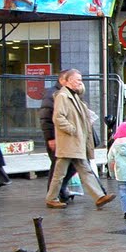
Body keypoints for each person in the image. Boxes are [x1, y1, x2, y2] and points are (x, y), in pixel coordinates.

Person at [44, 69, 116, 210]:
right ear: (68, 80)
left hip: (75, 142)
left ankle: (99, 196)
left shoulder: (74, 96)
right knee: (60, 173)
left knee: (84, 170)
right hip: (69, 141)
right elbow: (58, 118)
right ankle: (51, 198)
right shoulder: (63, 96)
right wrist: (73, 130)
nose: (80, 82)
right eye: (77, 79)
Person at [40, 71, 78, 204]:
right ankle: (53, 194)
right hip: (59, 137)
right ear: (64, 80)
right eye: (76, 80)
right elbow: (47, 117)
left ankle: (59, 191)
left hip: (67, 138)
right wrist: (50, 137)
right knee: (58, 167)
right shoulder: (55, 94)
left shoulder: (68, 93)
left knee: (71, 166)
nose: (78, 82)